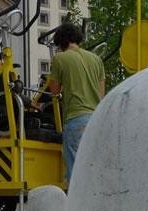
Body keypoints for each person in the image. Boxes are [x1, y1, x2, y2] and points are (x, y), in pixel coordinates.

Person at [47, 22, 105, 186]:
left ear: (61, 41)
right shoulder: (96, 59)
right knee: (93, 170)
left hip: (76, 119)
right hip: (96, 120)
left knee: (76, 175)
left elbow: (54, 91)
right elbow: (101, 93)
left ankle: (76, 202)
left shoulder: (60, 58)